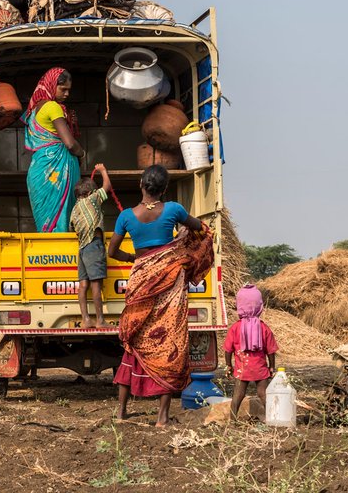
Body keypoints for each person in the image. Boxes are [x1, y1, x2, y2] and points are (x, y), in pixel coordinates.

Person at [108, 165, 213, 427]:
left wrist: (134, 258)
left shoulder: (126, 217)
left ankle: (121, 412)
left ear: (141, 185)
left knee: (135, 342)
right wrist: (182, 244)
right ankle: (162, 417)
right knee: (169, 343)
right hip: (171, 283)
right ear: (164, 189)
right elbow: (201, 229)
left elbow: (112, 252)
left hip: (140, 281)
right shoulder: (175, 210)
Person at [23, 67, 85, 233]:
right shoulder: (53, 107)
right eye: (63, 89)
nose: (66, 94)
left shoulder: (34, 110)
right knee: (61, 223)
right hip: (55, 171)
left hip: (38, 171)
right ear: (51, 85)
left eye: (68, 90)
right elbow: (70, 144)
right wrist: (82, 153)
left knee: (45, 226)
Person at [224, 284, 279, 418]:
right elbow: (271, 351)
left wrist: (228, 365)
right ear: (259, 306)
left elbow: (227, 349)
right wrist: (272, 367)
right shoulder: (264, 328)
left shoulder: (235, 328)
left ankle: (232, 421)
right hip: (260, 368)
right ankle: (272, 419)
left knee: (238, 394)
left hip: (242, 367)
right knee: (263, 394)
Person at [70, 164, 113, 329]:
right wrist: (103, 170)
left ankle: (86, 319)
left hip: (81, 249)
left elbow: (72, 228)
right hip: (94, 246)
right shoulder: (93, 199)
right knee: (96, 284)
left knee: (83, 285)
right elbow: (107, 187)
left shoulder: (74, 210)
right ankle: (100, 321)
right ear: (89, 193)